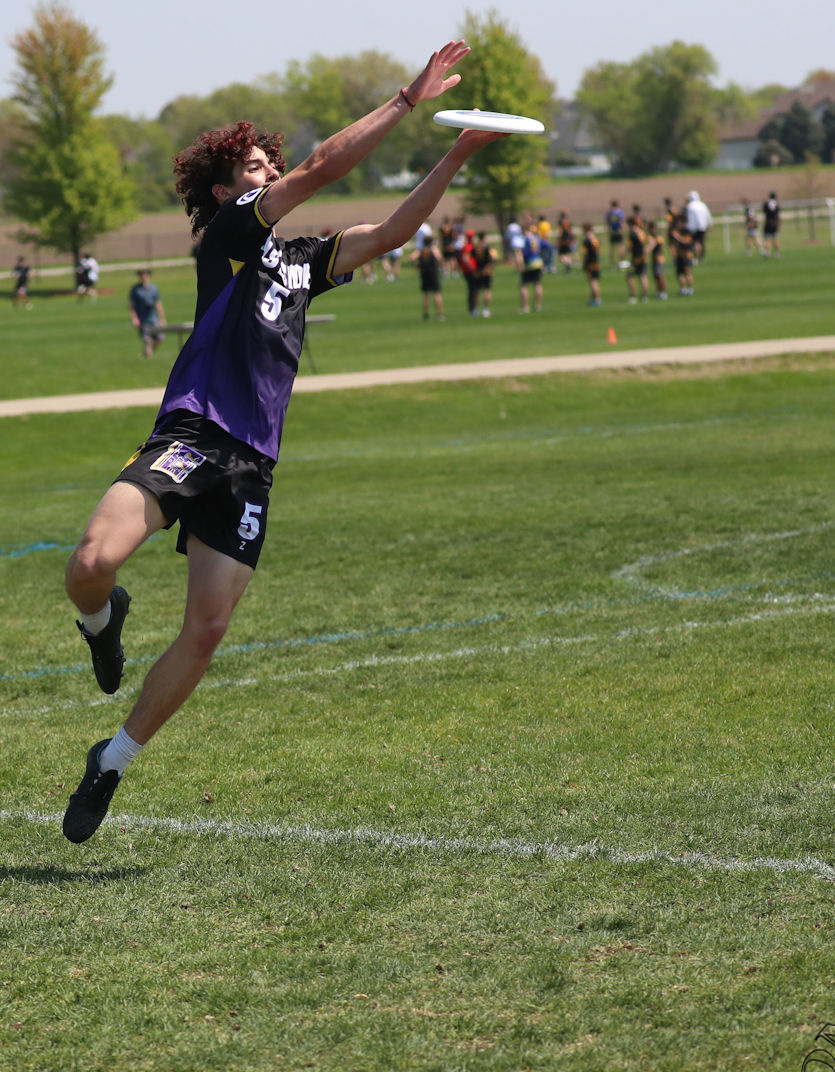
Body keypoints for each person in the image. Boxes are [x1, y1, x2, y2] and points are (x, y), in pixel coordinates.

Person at [57, 38, 504, 843]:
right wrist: (408, 100)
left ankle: (112, 760)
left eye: (271, 164)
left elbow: (391, 232)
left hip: (251, 464)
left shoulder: (301, 262)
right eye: (255, 167)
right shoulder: (229, 238)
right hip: (193, 434)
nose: (269, 172)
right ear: (226, 189)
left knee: (207, 630)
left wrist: (457, 152)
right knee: (90, 565)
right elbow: (324, 167)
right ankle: (101, 623)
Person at [127, 268, 167, 357]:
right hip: (142, 319)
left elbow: (158, 303)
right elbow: (131, 306)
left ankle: (147, 354)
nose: (144, 276)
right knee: (147, 340)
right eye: (142, 275)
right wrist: (134, 318)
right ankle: (149, 357)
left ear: (148, 276)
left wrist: (162, 318)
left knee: (160, 338)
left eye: (145, 274)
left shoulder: (154, 288)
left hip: (153, 318)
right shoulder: (135, 289)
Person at [517, 220, 546, 313]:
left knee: (523, 285)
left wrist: (520, 265)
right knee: (537, 284)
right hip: (538, 263)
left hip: (528, 264)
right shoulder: (537, 238)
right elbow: (546, 247)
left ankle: (525, 307)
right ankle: (537, 305)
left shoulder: (524, 239)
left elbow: (520, 253)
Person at [417, 234, 445, 319]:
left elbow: (411, 258)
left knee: (426, 294)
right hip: (433, 273)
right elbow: (440, 259)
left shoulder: (422, 250)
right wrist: (440, 266)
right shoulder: (434, 250)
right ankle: (440, 314)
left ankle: (426, 314)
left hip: (424, 274)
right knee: (436, 293)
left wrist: (418, 266)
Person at [625, 216, 649, 304]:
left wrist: (625, 253)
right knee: (643, 276)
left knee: (629, 276)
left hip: (635, 258)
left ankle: (633, 297)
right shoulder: (642, 232)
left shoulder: (632, 234)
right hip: (643, 257)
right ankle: (644, 297)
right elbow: (645, 242)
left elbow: (630, 247)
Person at [670, 218, 696, 295]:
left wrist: (677, 237)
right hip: (679, 255)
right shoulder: (677, 231)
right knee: (679, 273)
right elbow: (672, 244)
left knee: (687, 272)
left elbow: (686, 241)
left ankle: (690, 289)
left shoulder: (687, 231)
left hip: (686, 255)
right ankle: (683, 289)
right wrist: (674, 254)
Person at [684, 190, 712, 261]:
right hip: (702, 226)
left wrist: (688, 227)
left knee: (695, 242)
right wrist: (709, 224)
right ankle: (701, 257)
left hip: (693, 227)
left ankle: (696, 257)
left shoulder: (690, 206)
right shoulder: (702, 205)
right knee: (701, 242)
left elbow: (688, 218)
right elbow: (708, 215)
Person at [581, 223, 603, 306]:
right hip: (596, 262)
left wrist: (584, 264)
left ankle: (597, 299)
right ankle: (593, 298)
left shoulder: (587, 241)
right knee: (595, 280)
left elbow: (585, 254)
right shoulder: (596, 239)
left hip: (590, 263)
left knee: (593, 281)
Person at [648, 220, 668, 300]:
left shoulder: (657, 237)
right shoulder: (651, 237)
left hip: (659, 259)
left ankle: (663, 292)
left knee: (660, 276)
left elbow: (655, 244)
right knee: (656, 276)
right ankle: (659, 291)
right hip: (654, 259)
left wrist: (647, 249)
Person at [606, 199, 626, 264]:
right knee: (621, 245)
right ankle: (621, 260)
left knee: (612, 247)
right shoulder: (620, 212)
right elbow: (622, 222)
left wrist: (609, 231)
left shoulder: (609, 213)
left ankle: (613, 262)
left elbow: (608, 223)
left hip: (612, 231)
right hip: (619, 230)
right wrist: (622, 229)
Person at [762, 191, 781, 258]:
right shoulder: (777, 204)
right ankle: (776, 253)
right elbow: (779, 216)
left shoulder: (766, 204)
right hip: (775, 224)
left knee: (767, 239)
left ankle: (767, 253)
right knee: (775, 239)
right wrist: (779, 224)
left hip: (768, 223)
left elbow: (764, 213)